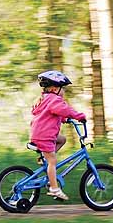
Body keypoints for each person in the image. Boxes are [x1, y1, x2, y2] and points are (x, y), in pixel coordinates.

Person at [29, 70, 86, 201]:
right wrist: (78, 116)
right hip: (44, 136)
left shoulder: (46, 99)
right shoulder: (55, 99)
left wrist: (64, 119)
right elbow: (64, 110)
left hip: (38, 134)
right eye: (63, 89)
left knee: (62, 139)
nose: (63, 92)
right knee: (52, 161)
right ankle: (54, 188)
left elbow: (50, 114)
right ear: (55, 89)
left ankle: (44, 158)